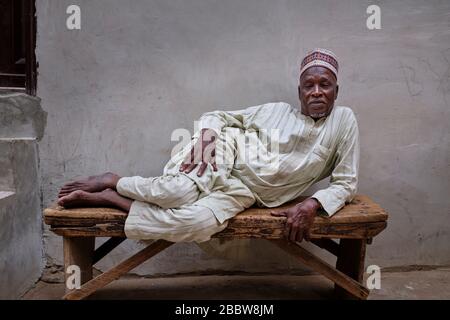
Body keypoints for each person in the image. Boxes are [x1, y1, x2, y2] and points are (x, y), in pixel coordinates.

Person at [58, 48, 359, 245]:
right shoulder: (276, 110)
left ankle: (112, 197)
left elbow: (345, 183)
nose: (317, 92)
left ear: (336, 91)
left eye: (325, 85)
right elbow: (217, 116)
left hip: (246, 193)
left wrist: (311, 204)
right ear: (300, 91)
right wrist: (206, 139)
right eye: (309, 85)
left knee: (199, 224)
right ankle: (114, 179)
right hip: (221, 154)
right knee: (177, 194)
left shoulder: (343, 121)